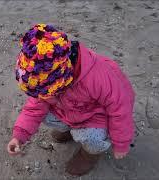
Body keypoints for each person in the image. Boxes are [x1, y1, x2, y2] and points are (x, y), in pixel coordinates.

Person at [7, 24, 135, 176]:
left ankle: (89, 156)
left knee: (92, 139)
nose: (43, 96)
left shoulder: (99, 77)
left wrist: (121, 143)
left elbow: (121, 108)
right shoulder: (47, 81)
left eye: (46, 92)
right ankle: (70, 130)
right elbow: (33, 109)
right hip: (69, 110)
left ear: (61, 80)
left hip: (94, 117)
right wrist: (19, 136)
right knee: (42, 112)